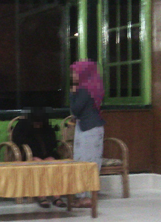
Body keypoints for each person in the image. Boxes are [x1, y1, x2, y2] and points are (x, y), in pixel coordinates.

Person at [12, 107, 66, 208]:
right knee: (39, 165)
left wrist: (47, 156)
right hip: (29, 155)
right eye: (36, 123)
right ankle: (42, 196)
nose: (38, 125)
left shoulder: (46, 127)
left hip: (46, 155)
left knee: (54, 164)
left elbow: (52, 143)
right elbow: (18, 141)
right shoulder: (23, 126)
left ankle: (57, 197)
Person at [70, 60, 105, 208]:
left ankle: (85, 197)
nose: (72, 75)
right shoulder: (94, 86)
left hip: (88, 130)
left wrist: (72, 93)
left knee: (84, 163)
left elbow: (75, 109)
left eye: (75, 72)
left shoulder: (84, 89)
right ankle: (88, 196)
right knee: (91, 162)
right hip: (93, 128)